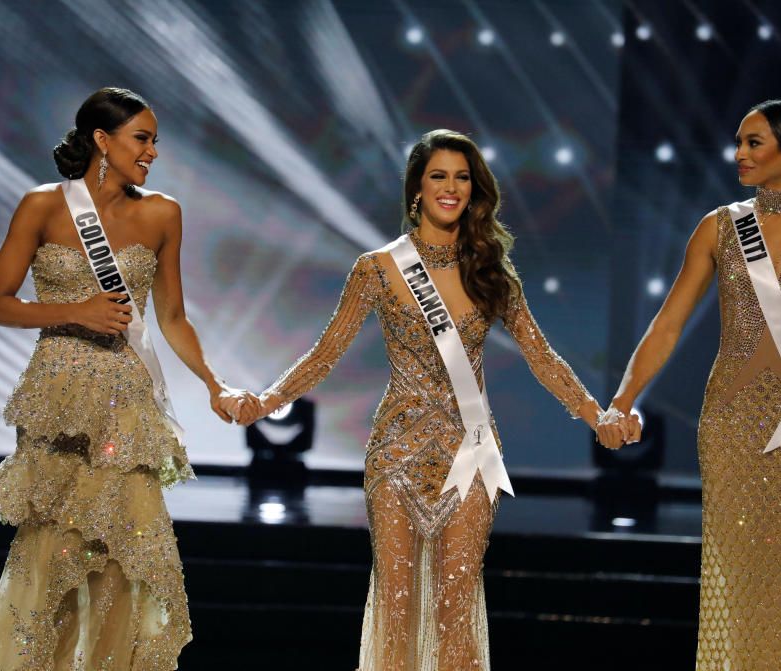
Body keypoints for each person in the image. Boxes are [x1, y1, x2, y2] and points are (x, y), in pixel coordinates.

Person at [226, 129, 626, 669]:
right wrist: (266, 400)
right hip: (396, 455)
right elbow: (325, 355)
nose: (451, 187)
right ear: (416, 187)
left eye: (462, 177)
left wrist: (595, 414)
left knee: (455, 606)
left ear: (475, 189)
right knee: (397, 605)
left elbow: (542, 357)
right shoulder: (377, 268)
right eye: (439, 175)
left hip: (470, 453)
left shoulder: (490, 270)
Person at [0, 87, 244, 670]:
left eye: (154, 142)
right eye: (141, 138)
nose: (151, 152)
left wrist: (213, 383)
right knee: (52, 560)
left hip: (126, 404)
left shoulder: (163, 212)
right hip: (57, 403)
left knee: (127, 558)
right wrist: (74, 311)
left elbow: (171, 316)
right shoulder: (42, 205)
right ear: (102, 139)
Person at [601, 100, 781, 669]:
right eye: (739, 142)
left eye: (754, 143)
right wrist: (624, 397)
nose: (740, 154)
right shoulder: (720, 227)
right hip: (729, 425)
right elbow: (668, 324)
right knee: (735, 571)